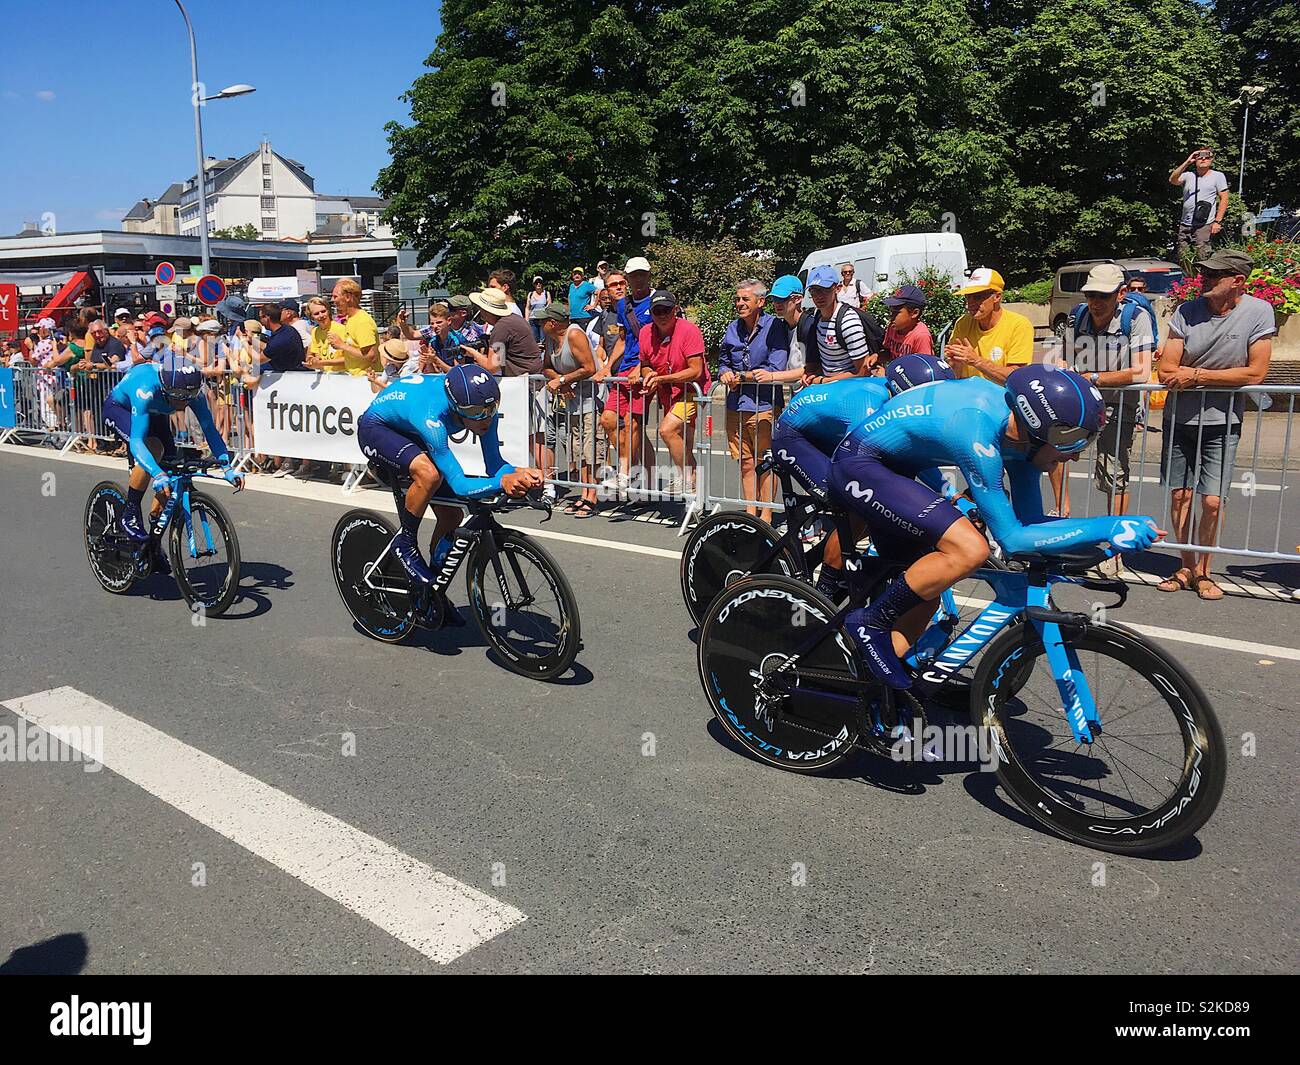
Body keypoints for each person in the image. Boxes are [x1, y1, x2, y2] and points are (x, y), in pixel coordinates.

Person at [828, 368, 1162, 689]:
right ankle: (870, 622)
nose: (1074, 457)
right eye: (1072, 442)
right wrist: (1109, 526)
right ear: (1039, 427)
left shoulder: (1022, 440)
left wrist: (1104, 534)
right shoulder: (977, 428)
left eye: (1084, 443)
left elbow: (1030, 524)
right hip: (860, 464)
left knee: (926, 593)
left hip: (897, 468)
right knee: (971, 549)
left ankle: (874, 688)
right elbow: (1013, 539)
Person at [357, 365, 543, 600]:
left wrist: (520, 473)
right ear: (456, 407)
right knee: (429, 475)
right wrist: (502, 482)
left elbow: (495, 466)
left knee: (452, 517)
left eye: (491, 407)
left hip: (410, 428)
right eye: (475, 411)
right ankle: (405, 542)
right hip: (378, 428)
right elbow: (459, 485)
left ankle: (430, 595)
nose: (485, 417)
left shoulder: (485, 412)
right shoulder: (431, 417)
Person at [1156, 248, 1275, 601]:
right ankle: (1186, 566)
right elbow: (1165, 370)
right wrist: (1215, 376)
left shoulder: (1258, 311)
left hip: (1223, 422)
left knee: (1211, 501)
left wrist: (1197, 376)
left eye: (1214, 275)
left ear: (1237, 281)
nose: (1204, 279)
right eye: (1204, 272)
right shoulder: (1186, 311)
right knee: (1181, 495)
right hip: (1179, 419)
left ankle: (1205, 572)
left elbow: (1255, 372)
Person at [1064, 263, 1157, 569]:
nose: (1096, 301)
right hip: (1081, 404)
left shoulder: (1136, 317)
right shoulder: (1077, 316)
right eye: (1091, 294)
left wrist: (1093, 377)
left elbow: (1141, 371)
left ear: (1120, 293)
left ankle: (1115, 551)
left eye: (1103, 295)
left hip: (1118, 406)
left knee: (1113, 475)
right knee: (1054, 458)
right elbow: (1068, 361)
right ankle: (1053, 532)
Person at [771, 375, 894, 601]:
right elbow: (854, 458)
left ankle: (814, 560)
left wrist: (951, 493)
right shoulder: (870, 403)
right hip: (793, 435)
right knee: (853, 507)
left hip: (823, 432)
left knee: (873, 509)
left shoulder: (894, 399)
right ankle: (823, 594)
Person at [102, 356, 243, 546]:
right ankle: (130, 512)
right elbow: (137, 440)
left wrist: (228, 468)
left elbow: (209, 430)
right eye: (178, 397)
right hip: (122, 409)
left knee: (172, 468)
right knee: (154, 450)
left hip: (155, 413)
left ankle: (151, 543)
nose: (183, 403)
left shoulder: (192, 392)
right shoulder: (145, 389)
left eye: (188, 398)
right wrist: (157, 473)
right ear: (165, 387)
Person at [718, 279, 788, 521]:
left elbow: (776, 365)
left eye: (745, 299)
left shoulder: (775, 327)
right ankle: (751, 511)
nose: (739, 304)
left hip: (764, 405)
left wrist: (743, 376)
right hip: (736, 404)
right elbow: (723, 361)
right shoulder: (731, 328)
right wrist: (724, 373)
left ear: (760, 302)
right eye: (737, 299)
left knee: (766, 462)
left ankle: (766, 515)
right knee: (746, 462)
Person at [631, 289, 708, 498]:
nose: (662, 315)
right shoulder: (646, 332)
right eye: (657, 311)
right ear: (651, 313)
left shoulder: (689, 331)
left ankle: (686, 478)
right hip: (669, 393)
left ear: (675, 310)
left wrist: (661, 379)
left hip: (692, 391)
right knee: (684, 442)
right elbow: (645, 364)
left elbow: (696, 370)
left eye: (667, 310)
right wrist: (649, 375)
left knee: (667, 430)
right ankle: (697, 498)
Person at [536, 302, 601, 516]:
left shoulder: (574, 335)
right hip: (571, 403)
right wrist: (559, 381)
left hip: (590, 400)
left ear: (553, 323)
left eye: (543, 320)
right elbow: (545, 367)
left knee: (590, 450)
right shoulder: (550, 339)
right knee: (578, 450)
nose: (540, 323)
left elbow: (589, 367)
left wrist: (563, 379)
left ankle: (592, 497)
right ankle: (584, 494)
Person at [943, 268, 1034, 383]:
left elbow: (1017, 378)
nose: (969, 304)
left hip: (1001, 398)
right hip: (968, 395)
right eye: (967, 297)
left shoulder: (1019, 325)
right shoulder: (963, 323)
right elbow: (953, 375)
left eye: (977, 297)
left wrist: (976, 361)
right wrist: (955, 363)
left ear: (997, 297)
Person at [798, 265, 881, 382]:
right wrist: (813, 373)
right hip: (831, 387)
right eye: (814, 290)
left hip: (851, 389)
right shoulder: (818, 316)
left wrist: (823, 381)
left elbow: (862, 371)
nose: (819, 296)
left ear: (837, 288)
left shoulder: (848, 322)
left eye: (825, 289)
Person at [468, 287, 542, 376]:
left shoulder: (501, 327)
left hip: (524, 381)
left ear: (486, 311)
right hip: (532, 376)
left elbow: (492, 367)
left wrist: (472, 352)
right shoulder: (515, 319)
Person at [1169, 148, 1229, 258]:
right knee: (1183, 256)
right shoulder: (1188, 176)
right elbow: (1172, 180)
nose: (1203, 159)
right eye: (1200, 157)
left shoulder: (1217, 176)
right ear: (1195, 160)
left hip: (1204, 224)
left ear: (1211, 160)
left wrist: (1217, 221)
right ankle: (1188, 275)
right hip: (1186, 222)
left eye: (1207, 157)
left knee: (1202, 255)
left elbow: (1224, 198)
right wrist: (1187, 162)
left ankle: (1202, 275)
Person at [328, 279, 380, 375]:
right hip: (356, 378)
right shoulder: (351, 319)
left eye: (335, 296)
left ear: (347, 297)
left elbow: (371, 356)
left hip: (366, 379)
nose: (332, 300)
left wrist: (341, 345)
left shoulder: (362, 321)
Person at [880, 284, 934, 361]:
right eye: (891, 312)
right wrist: (877, 357)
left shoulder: (921, 336)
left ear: (914, 313)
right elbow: (888, 352)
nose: (891, 317)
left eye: (896, 313)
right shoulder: (892, 327)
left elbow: (923, 366)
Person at [526, 276, 550, 341]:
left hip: (543, 320)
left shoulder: (546, 294)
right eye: (536, 283)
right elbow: (527, 308)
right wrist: (526, 320)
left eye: (540, 282)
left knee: (543, 340)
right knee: (534, 340)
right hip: (533, 320)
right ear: (534, 284)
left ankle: (543, 351)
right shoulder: (530, 294)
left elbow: (549, 307)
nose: (538, 284)